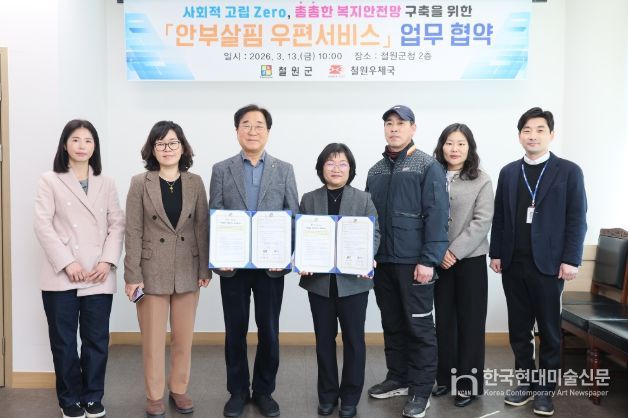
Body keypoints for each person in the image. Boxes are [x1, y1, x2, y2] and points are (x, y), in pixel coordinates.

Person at [490, 107, 587, 417]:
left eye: (539, 130)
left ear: (551, 134)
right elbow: (500, 217)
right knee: (519, 329)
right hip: (513, 263)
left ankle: (545, 390)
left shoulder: (568, 171)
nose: (532, 135)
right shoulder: (509, 172)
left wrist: (571, 259)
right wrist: (496, 253)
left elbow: (577, 219)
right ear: (520, 135)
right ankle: (526, 383)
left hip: (550, 265)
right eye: (527, 130)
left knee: (549, 330)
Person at [209, 104, 299, 418]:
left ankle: (263, 391)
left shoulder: (283, 169)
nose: (252, 130)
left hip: (270, 268)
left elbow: (293, 215)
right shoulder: (221, 169)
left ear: (268, 132)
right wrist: (218, 258)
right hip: (232, 267)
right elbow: (215, 214)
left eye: (259, 125)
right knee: (234, 331)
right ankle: (237, 391)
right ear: (237, 131)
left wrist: (286, 256)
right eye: (246, 124)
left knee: (269, 331)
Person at [34, 119, 125, 418]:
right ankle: (69, 399)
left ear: (95, 146)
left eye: (88, 140)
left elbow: (117, 224)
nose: (82, 146)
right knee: (63, 342)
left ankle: (93, 396)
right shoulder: (50, 179)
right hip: (61, 274)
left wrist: (107, 261)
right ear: (65, 144)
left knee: (96, 340)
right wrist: (67, 262)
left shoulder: (106, 182)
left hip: (98, 273)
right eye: (75, 139)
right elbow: (42, 225)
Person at [365, 105, 449, 418]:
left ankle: (421, 390)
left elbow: (438, 215)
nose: (394, 128)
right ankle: (398, 377)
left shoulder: (427, 165)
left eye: (401, 123)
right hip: (383, 263)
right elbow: (367, 218)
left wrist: (429, 260)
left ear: (413, 128)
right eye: (389, 123)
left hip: (415, 264)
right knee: (392, 323)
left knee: (419, 327)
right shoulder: (375, 170)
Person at [124, 121, 210, 418]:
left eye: (173, 142)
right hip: (151, 271)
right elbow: (133, 231)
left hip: (188, 267)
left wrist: (205, 268)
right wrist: (132, 275)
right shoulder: (140, 182)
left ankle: (179, 388)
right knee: (152, 339)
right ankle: (154, 394)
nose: (167, 148)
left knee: (183, 337)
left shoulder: (195, 182)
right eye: (160, 143)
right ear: (152, 149)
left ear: (183, 147)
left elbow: (202, 227)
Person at [298, 143, 380, 418]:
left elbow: (374, 233)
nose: (336, 168)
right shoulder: (309, 199)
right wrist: (301, 258)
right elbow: (301, 234)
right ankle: (327, 395)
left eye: (342, 163)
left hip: (354, 283)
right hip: (319, 284)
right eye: (330, 163)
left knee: (354, 340)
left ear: (351, 169)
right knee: (324, 340)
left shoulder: (363, 199)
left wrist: (368, 257)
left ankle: (350, 397)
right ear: (321, 167)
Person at [431, 124, 494, 407]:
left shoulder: (481, 179)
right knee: (444, 322)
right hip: (438, 260)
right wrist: (438, 252)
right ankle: (445, 378)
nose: (454, 149)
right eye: (449, 143)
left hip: (470, 260)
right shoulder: (432, 175)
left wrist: (453, 252)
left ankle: (468, 385)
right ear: (441, 146)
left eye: (461, 143)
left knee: (470, 323)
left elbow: (482, 222)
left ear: (470, 148)